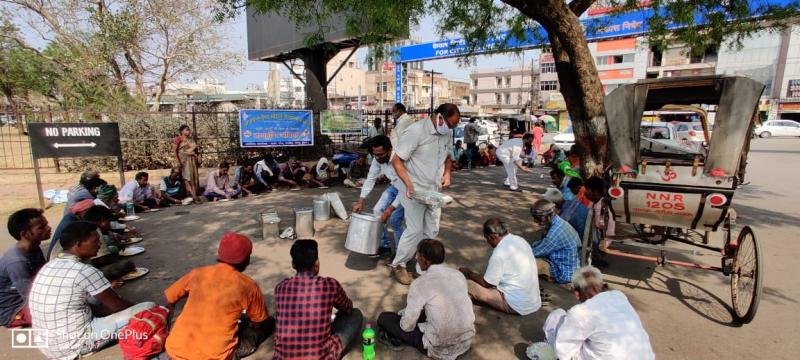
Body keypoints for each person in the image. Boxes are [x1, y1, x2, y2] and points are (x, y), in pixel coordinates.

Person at [29, 221, 155, 359]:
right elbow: (117, 305)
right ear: (78, 244)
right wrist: (139, 309)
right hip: (74, 344)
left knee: (94, 298)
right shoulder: (85, 270)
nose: (100, 244)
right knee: (149, 308)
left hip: (47, 343)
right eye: (95, 241)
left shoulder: (50, 265)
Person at [165, 232, 275, 360]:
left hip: (175, 349)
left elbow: (170, 299)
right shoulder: (248, 285)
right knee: (268, 322)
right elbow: (258, 322)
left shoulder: (197, 273)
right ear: (246, 260)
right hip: (215, 356)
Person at [390, 103, 458, 285]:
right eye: (449, 125)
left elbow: (448, 156)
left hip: (434, 190)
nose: (450, 129)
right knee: (414, 230)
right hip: (413, 189)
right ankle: (399, 264)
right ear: (439, 117)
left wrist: (447, 174)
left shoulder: (446, 133)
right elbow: (396, 160)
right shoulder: (416, 131)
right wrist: (408, 184)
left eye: (453, 126)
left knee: (431, 230)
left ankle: (423, 268)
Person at [378, 239, 475, 359]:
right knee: (425, 312)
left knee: (384, 318)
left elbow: (407, 326)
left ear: (424, 259)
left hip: (439, 347)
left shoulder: (420, 284)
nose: (416, 258)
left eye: (417, 255)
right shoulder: (458, 275)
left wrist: (403, 318)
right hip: (465, 340)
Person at [274, 239, 363, 359]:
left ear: (293, 265)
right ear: (316, 263)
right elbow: (347, 308)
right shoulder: (330, 285)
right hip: (320, 356)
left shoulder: (280, 288)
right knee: (355, 315)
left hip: (283, 357)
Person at [543, 266, 654, 359]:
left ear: (577, 294)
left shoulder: (580, 313)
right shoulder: (619, 296)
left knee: (556, 316)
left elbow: (564, 352)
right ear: (605, 286)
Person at [459, 218, 542, 315]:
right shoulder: (520, 240)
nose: (487, 242)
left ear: (492, 237)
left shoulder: (499, 254)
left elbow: (487, 283)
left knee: (467, 284)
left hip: (517, 305)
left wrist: (469, 273)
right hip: (534, 301)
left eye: (486, 238)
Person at [352, 135, 405, 256]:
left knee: (395, 219)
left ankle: (401, 255)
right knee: (377, 211)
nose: (378, 158)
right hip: (395, 187)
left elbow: (404, 188)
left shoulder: (400, 159)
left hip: (408, 189)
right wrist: (361, 201)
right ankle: (384, 246)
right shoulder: (377, 159)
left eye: (381, 154)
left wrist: (390, 209)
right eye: (375, 154)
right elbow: (370, 179)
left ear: (389, 150)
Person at [1, 209, 49, 328]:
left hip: (31, 299)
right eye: (41, 227)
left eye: (46, 224)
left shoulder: (34, 248)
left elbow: (44, 275)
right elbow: (29, 295)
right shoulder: (16, 261)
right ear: (25, 234)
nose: (48, 228)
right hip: (14, 310)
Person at [530, 199, 581, 284]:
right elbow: (542, 244)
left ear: (548, 216)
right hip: (570, 265)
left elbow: (536, 252)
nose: (535, 221)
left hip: (564, 272)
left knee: (526, 263)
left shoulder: (554, 233)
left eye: (537, 218)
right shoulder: (559, 222)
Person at [82, 206, 136, 285]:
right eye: (109, 221)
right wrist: (118, 262)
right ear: (102, 220)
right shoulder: (94, 230)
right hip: (85, 274)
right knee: (127, 264)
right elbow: (102, 259)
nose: (110, 224)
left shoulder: (82, 225)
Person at [173, 124, 201, 202]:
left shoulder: (191, 139)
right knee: (186, 177)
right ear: (182, 131)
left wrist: (198, 158)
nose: (188, 131)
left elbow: (195, 150)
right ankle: (193, 195)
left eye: (189, 130)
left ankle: (194, 193)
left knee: (193, 177)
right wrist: (178, 161)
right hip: (183, 161)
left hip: (192, 161)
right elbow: (174, 151)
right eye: (186, 130)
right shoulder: (178, 139)